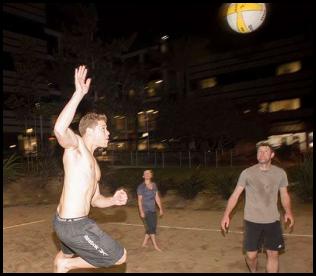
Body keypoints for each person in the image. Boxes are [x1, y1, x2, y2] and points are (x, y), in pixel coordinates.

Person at [52, 65, 128, 273]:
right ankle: (68, 264)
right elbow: (59, 129)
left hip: (65, 223)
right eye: (104, 128)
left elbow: (94, 200)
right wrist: (78, 94)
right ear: (90, 131)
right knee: (119, 256)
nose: (109, 133)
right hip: (74, 225)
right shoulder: (76, 146)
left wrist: (113, 200)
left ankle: (64, 263)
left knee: (62, 257)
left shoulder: (95, 165)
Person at [220, 142, 294, 273]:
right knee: (251, 256)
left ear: (272, 154)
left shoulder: (280, 173)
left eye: (265, 151)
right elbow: (235, 195)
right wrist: (227, 214)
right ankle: (253, 270)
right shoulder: (247, 173)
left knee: (273, 254)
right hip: (252, 221)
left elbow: (284, 195)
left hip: (272, 221)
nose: (262, 154)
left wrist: (288, 212)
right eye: (259, 151)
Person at [137, 170, 164, 252]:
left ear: (151, 175)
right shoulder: (141, 187)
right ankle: (155, 246)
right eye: (145, 173)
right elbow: (139, 200)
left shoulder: (154, 185)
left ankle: (144, 243)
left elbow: (157, 198)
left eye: (149, 173)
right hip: (146, 210)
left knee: (151, 227)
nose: (147, 174)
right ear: (143, 176)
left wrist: (161, 208)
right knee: (152, 229)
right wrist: (141, 211)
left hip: (153, 209)